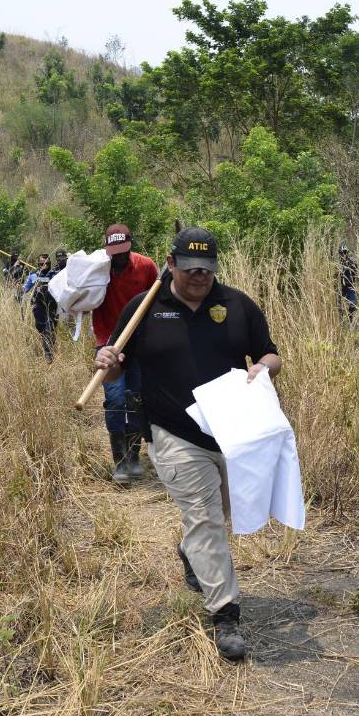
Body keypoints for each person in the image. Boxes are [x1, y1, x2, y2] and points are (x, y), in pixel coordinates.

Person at [94, 227, 281, 661]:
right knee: (205, 518)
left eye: (207, 269)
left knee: (223, 512)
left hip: (232, 432)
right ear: (171, 263)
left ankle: (190, 551)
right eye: (191, 268)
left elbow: (270, 353)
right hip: (173, 432)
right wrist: (106, 360)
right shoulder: (144, 308)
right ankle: (225, 614)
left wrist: (265, 369)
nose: (200, 276)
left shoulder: (236, 305)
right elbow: (115, 367)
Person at [91, 224, 159, 485]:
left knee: (135, 398)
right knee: (116, 399)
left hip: (139, 343)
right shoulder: (97, 269)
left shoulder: (145, 266)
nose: (118, 257)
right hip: (108, 343)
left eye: (123, 251)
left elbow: (157, 299)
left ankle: (133, 457)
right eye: (114, 252)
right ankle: (119, 461)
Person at [24, 253, 60, 362]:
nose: (45, 265)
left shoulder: (55, 274)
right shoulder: (33, 275)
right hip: (38, 306)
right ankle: (48, 348)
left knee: (50, 328)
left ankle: (49, 353)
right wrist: (19, 289)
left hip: (52, 306)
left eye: (47, 263)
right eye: (42, 263)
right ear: (38, 264)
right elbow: (25, 288)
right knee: (42, 329)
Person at [338, 244, 358, 322]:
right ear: (339, 254)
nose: (343, 254)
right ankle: (341, 323)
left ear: (347, 253)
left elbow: (356, 271)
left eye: (345, 252)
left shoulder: (351, 261)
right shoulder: (339, 263)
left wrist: (349, 266)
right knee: (340, 307)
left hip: (350, 287)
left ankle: (351, 322)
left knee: (352, 306)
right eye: (341, 253)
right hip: (341, 288)